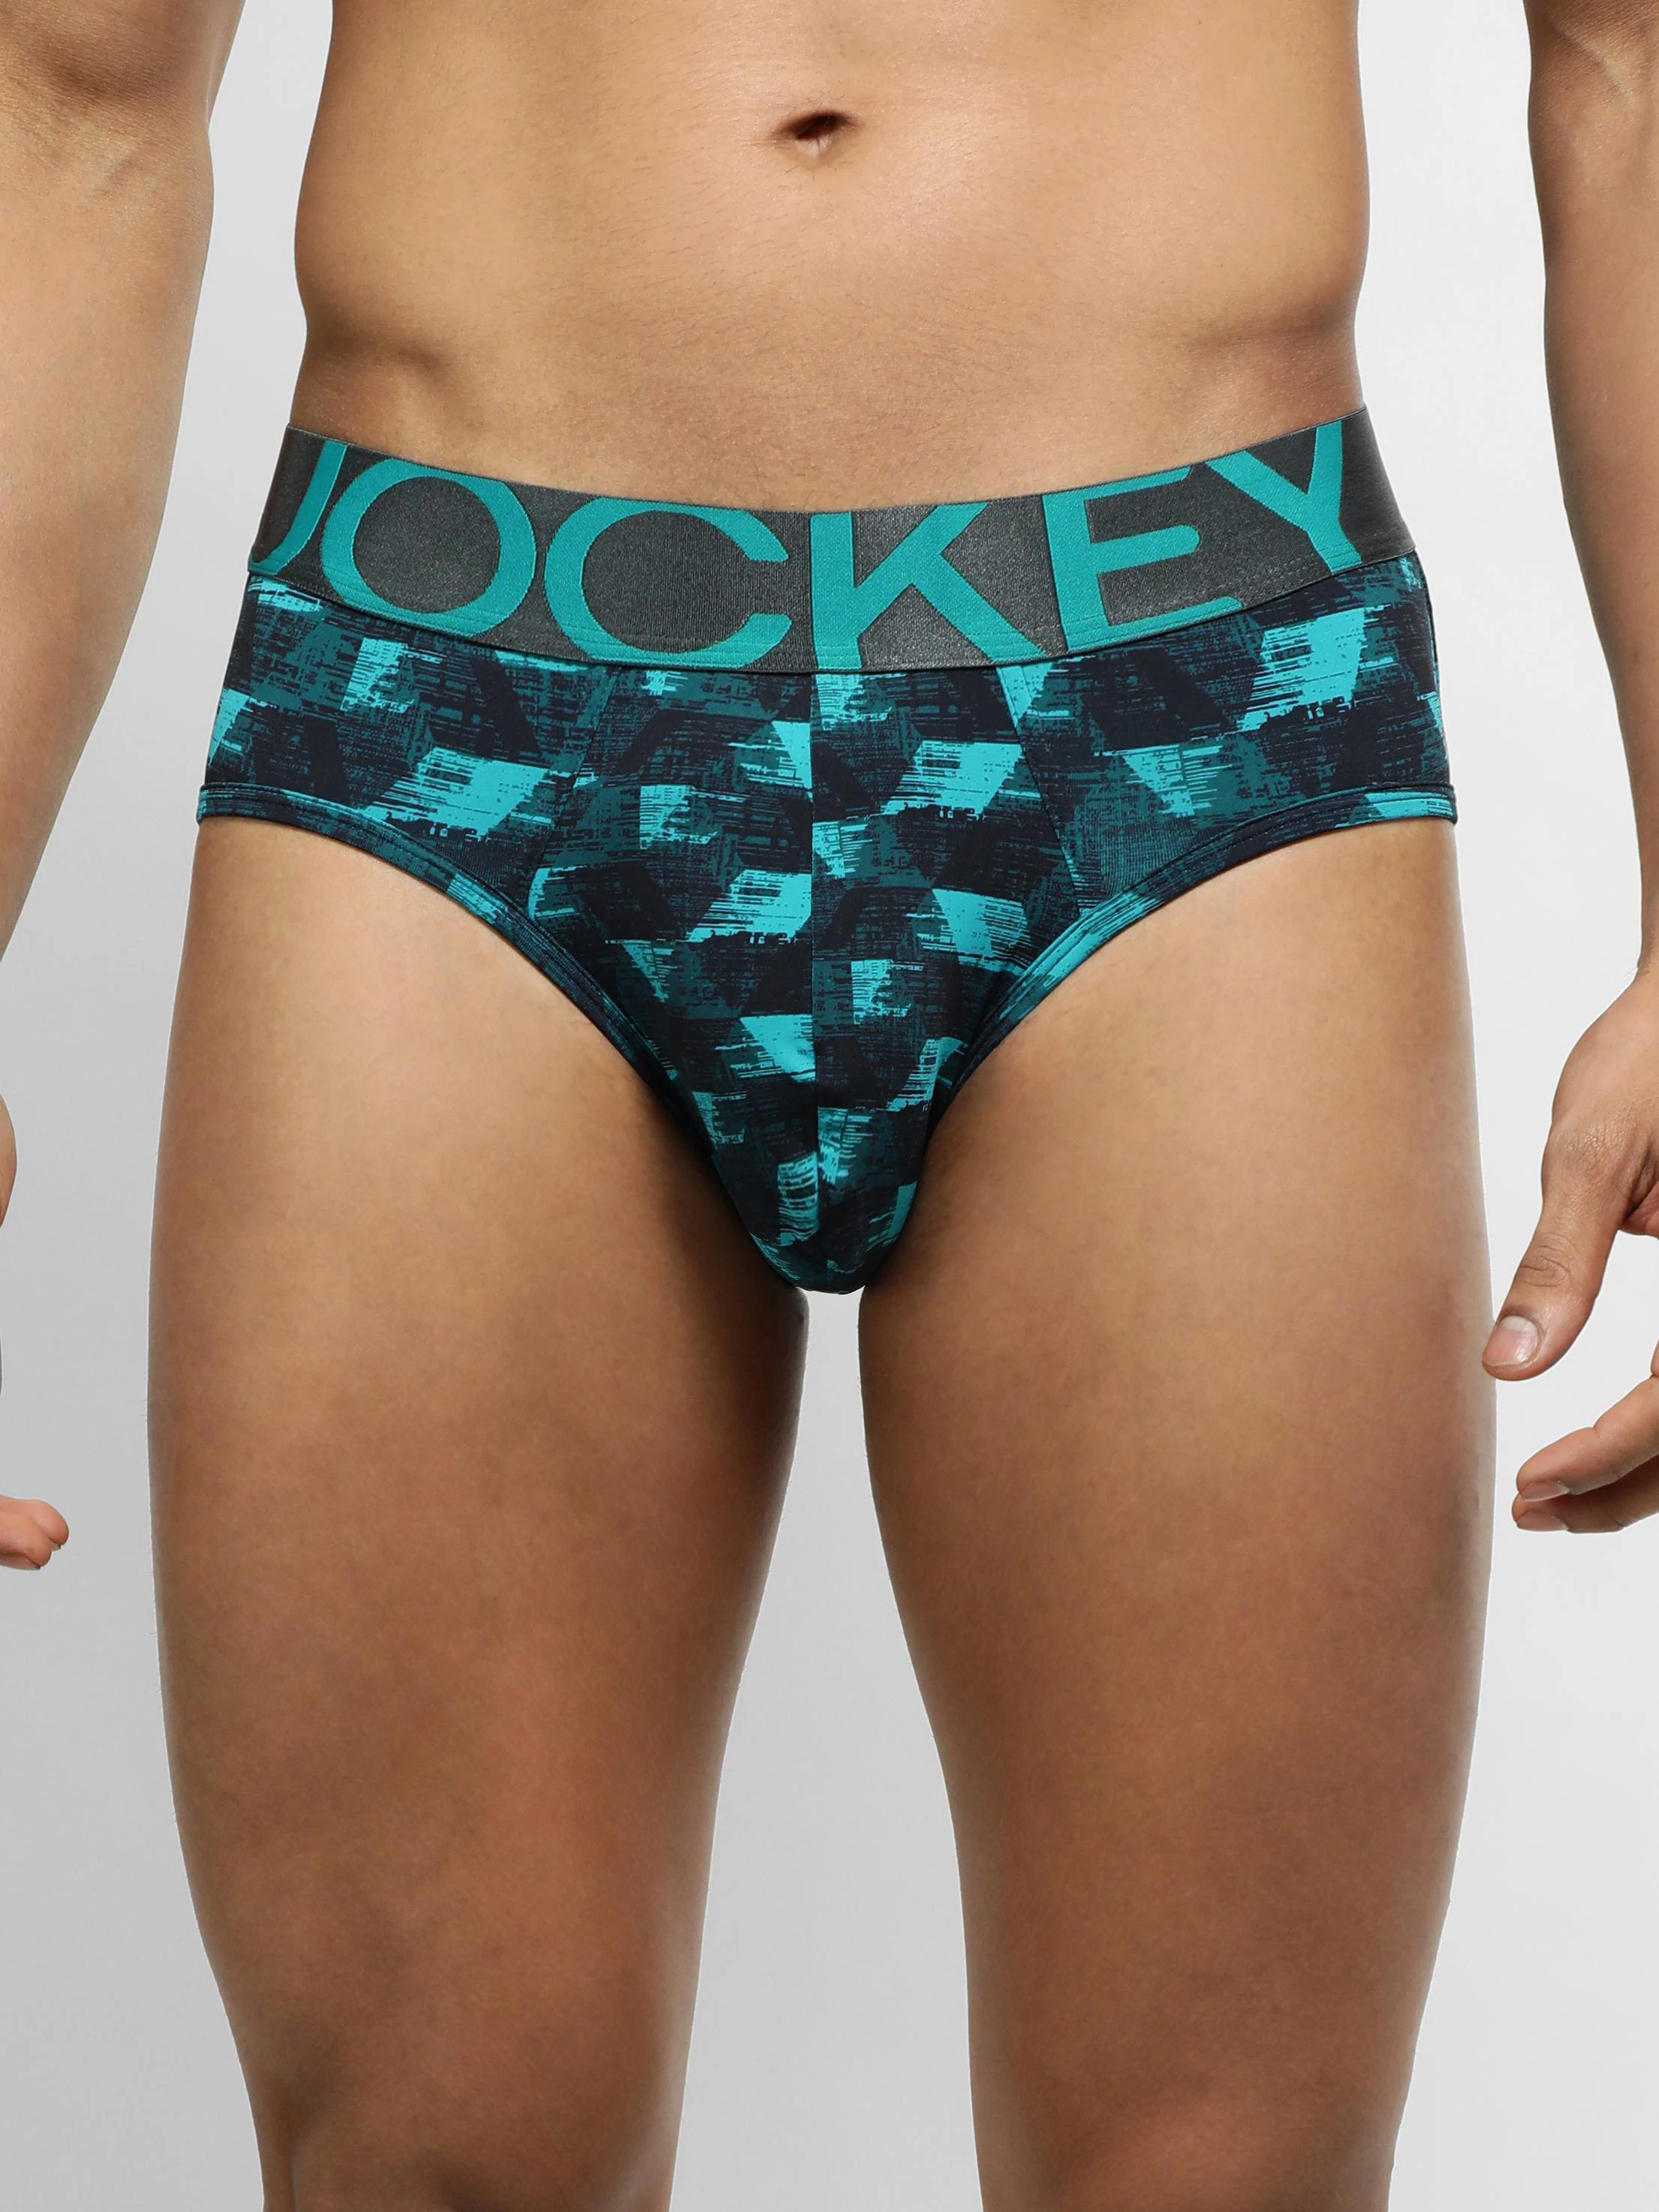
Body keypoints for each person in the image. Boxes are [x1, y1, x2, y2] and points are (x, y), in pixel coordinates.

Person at [2, 0, 1655, 2204]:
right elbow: (70, 98)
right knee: (432, 2157)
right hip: (442, 689)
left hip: (1188, 682)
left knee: (1219, 2177)